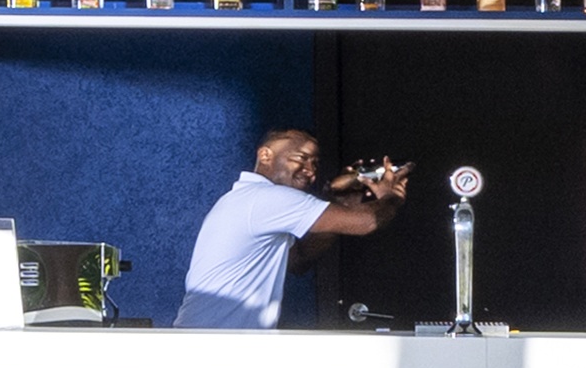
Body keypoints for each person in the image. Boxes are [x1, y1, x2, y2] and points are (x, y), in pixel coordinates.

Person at [171, 125, 432, 331]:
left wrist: (337, 203)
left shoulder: (247, 199)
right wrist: (391, 197)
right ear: (265, 155)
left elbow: (298, 260)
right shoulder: (267, 198)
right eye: (302, 158)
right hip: (212, 347)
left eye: (315, 164)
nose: (310, 172)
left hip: (209, 342)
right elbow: (366, 222)